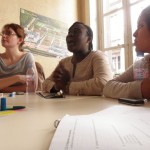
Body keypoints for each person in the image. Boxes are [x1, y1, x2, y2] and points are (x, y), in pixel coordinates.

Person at [42, 22, 113, 96]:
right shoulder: (64, 62)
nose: (70, 35)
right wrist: (56, 87)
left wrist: (67, 86)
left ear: (88, 39)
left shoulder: (97, 56)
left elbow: (104, 83)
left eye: (76, 31)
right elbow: (45, 83)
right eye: (69, 32)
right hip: (67, 107)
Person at [103, 6, 150, 99]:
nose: (134, 33)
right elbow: (108, 87)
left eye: (141, 25)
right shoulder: (142, 63)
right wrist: (142, 88)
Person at [0, 23, 38, 93]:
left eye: (8, 33)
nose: (3, 36)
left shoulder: (27, 57)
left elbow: (33, 87)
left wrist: (2, 89)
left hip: (22, 101)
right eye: (3, 33)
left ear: (20, 40)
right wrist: (17, 78)